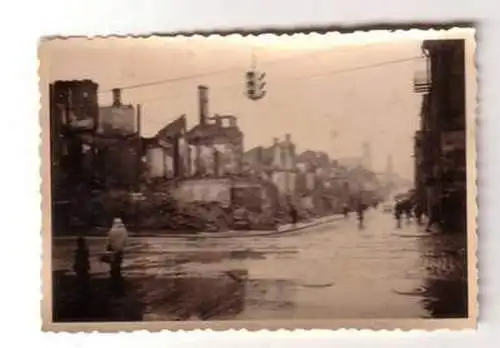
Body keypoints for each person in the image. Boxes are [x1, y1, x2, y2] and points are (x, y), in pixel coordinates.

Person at [103, 217, 129, 291]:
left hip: (113, 249)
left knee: (113, 262)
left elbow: (108, 240)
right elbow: (126, 240)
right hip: (120, 249)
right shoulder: (123, 230)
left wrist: (106, 248)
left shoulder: (112, 230)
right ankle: (117, 274)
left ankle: (114, 274)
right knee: (118, 261)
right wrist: (123, 246)